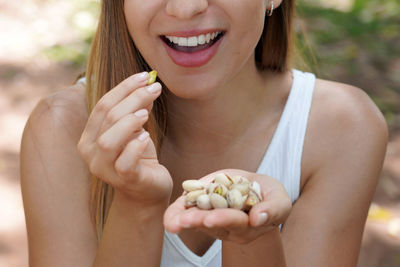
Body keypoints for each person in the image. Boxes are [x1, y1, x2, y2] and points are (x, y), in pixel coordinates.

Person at [20, 0, 388, 266]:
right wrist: (137, 204)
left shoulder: (341, 129)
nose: (185, 8)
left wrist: (253, 238)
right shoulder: (61, 128)